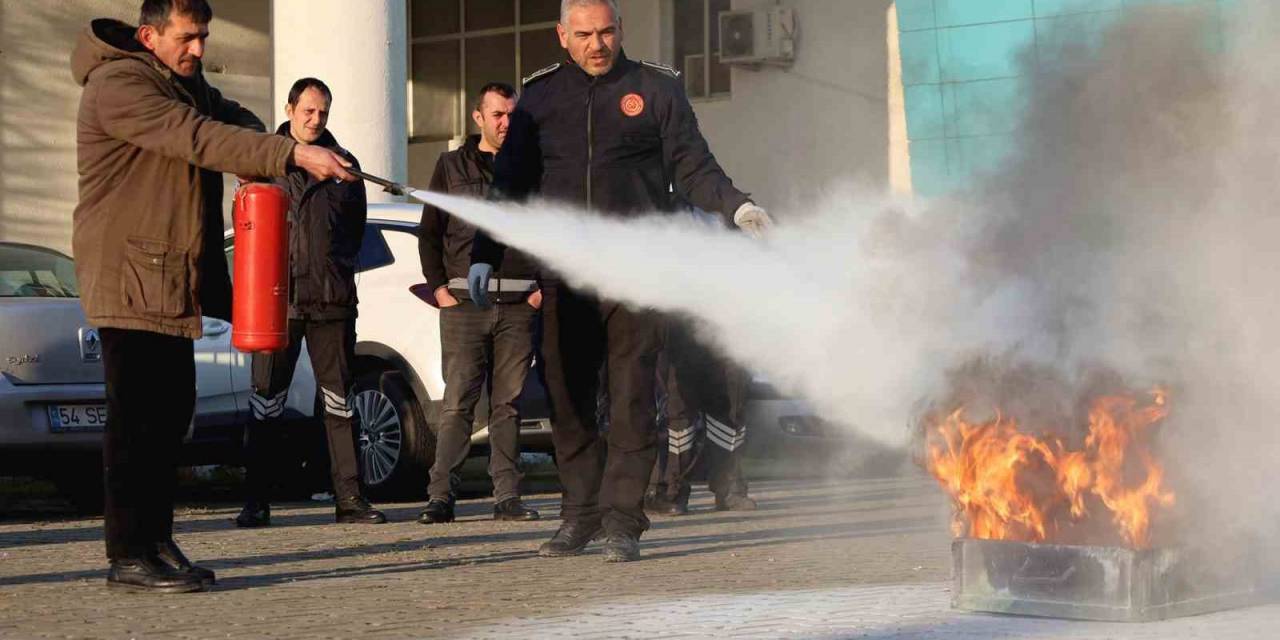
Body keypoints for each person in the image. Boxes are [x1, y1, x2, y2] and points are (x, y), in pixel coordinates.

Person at [470, 0, 773, 562]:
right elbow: (509, 185)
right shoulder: (539, 98)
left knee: (633, 398)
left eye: (606, 32)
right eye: (584, 34)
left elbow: (693, 166)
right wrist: (484, 254)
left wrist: (738, 207)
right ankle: (579, 516)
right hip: (566, 275)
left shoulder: (656, 90)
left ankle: (622, 522)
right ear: (562, 36)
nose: (597, 44)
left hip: (637, 275)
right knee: (567, 397)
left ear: (620, 30)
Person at [71, 0, 353, 593]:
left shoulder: (183, 83)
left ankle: (157, 540)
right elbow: (195, 137)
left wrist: (270, 142)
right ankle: (127, 553)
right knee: (136, 421)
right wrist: (290, 153)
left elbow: (232, 119)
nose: (199, 49)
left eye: (204, 36)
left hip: (169, 275)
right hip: (129, 275)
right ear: (150, 35)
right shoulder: (119, 85)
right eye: (188, 37)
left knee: (172, 415)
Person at [235, 78, 386, 528]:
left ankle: (350, 501)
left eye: (323, 113)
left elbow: (354, 232)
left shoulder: (346, 165)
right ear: (290, 108)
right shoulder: (265, 158)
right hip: (276, 305)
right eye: (308, 111)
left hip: (332, 302)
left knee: (341, 403)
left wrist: (335, 272)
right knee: (266, 404)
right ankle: (256, 502)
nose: (315, 120)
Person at [416, 82, 542, 525]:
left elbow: (548, 229)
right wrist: (439, 290)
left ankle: (507, 497)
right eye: (497, 115)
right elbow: (429, 233)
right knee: (458, 403)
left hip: (518, 304)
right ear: (478, 118)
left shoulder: (531, 169)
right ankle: (440, 497)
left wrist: (538, 287)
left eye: (511, 115)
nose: (505, 123)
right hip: (464, 305)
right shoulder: (451, 166)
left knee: (509, 404)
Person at [646, 319, 757, 516]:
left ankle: (729, 487)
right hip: (681, 322)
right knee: (678, 413)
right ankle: (670, 491)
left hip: (731, 322)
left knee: (732, 408)